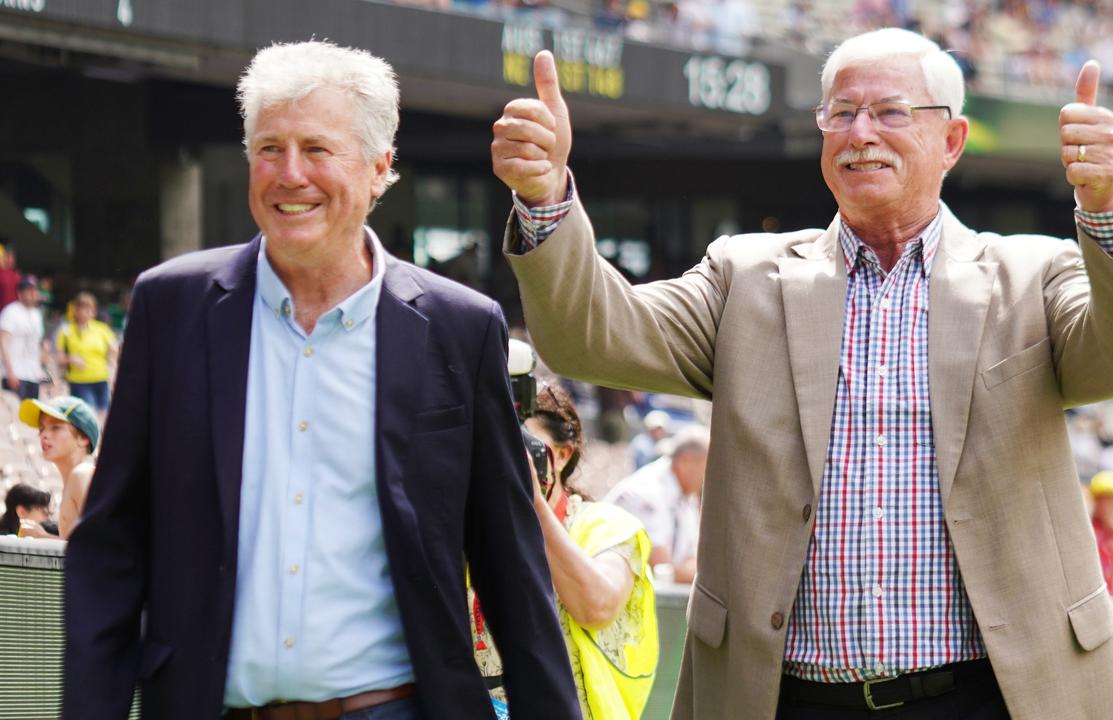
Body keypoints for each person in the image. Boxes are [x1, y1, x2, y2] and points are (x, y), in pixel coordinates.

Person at [493, 27, 1113, 720]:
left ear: (952, 140)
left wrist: (1106, 210)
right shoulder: (745, 278)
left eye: (890, 112)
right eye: (841, 112)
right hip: (786, 698)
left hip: (994, 695)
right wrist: (548, 196)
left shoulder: (1032, 274)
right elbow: (594, 339)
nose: (860, 132)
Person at [63, 40, 579, 720]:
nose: (289, 174)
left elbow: (511, 568)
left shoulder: (461, 328)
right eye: (269, 148)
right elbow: (112, 548)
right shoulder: (170, 307)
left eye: (316, 148)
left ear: (379, 168)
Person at [472, 384, 658, 719]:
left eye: (521, 444)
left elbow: (596, 607)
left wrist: (531, 503)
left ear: (562, 454)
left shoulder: (606, 526)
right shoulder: (469, 529)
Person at [606, 425, 708, 583]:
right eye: (706, 468)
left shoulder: (687, 496)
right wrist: (701, 575)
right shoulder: (645, 491)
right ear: (686, 461)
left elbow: (691, 559)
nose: (708, 479)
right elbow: (661, 568)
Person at [19, 395, 100, 540]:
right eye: (41, 429)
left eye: (55, 427)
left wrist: (42, 537)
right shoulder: (73, 481)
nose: (44, 435)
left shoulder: (82, 474)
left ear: (83, 438)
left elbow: (102, 545)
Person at [56, 291, 118, 415]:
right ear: (76, 310)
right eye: (84, 308)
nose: (88, 312)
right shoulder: (67, 331)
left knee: (104, 415)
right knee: (88, 414)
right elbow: (60, 360)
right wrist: (71, 359)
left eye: (90, 308)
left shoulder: (102, 328)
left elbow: (115, 350)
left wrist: (113, 356)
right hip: (79, 381)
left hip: (101, 379)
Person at [0, 274, 48, 401]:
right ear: (20, 293)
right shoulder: (10, 312)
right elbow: (3, 342)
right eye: (29, 291)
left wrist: (43, 369)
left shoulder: (37, 315)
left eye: (35, 290)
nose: (33, 294)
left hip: (33, 374)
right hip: (15, 373)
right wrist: (9, 371)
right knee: (15, 415)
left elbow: (38, 343)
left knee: (31, 416)